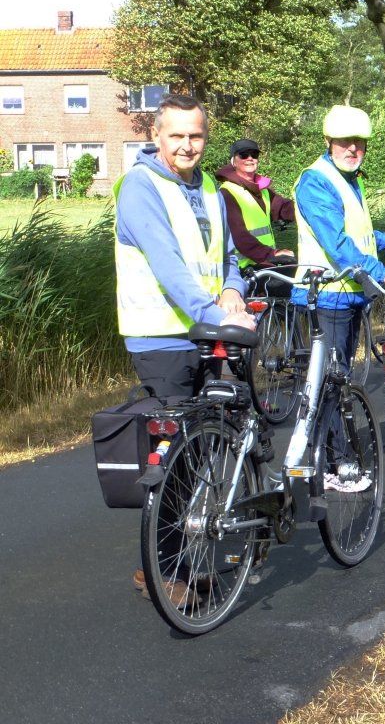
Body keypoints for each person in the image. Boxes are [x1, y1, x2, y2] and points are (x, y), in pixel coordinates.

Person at [114, 93, 253, 600]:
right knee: (172, 456)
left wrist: (234, 291)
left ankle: (185, 561)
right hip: (161, 337)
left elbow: (228, 256)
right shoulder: (141, 187)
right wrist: (218, 313)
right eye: (177, 135)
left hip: (207, 332)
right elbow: (168, 265)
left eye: (195, 135)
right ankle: (163, 573)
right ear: (157, 136)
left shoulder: (211, 188)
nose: (187, 145)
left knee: (203, 451)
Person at [292, 104, 385, 375]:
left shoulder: (350, 178)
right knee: (330, 383)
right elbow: (335, 242)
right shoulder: (317, 180)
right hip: (328, 295)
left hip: (347, 293)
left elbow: (353, 230)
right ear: (328, 142)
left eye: (359, 141)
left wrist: (384, 240)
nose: (353, 148)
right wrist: (382, 272)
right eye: (344, 141)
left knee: (341, 381)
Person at [216, 139, 295, 270]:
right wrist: (272, 254)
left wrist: (311, 206)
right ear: (233, 161)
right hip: (243, 270)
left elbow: (285, 208)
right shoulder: (226, 193)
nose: (250, 158)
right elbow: (239, 237)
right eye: (243, 155)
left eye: (254, 154)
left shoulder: (262, 190)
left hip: (266, 265)